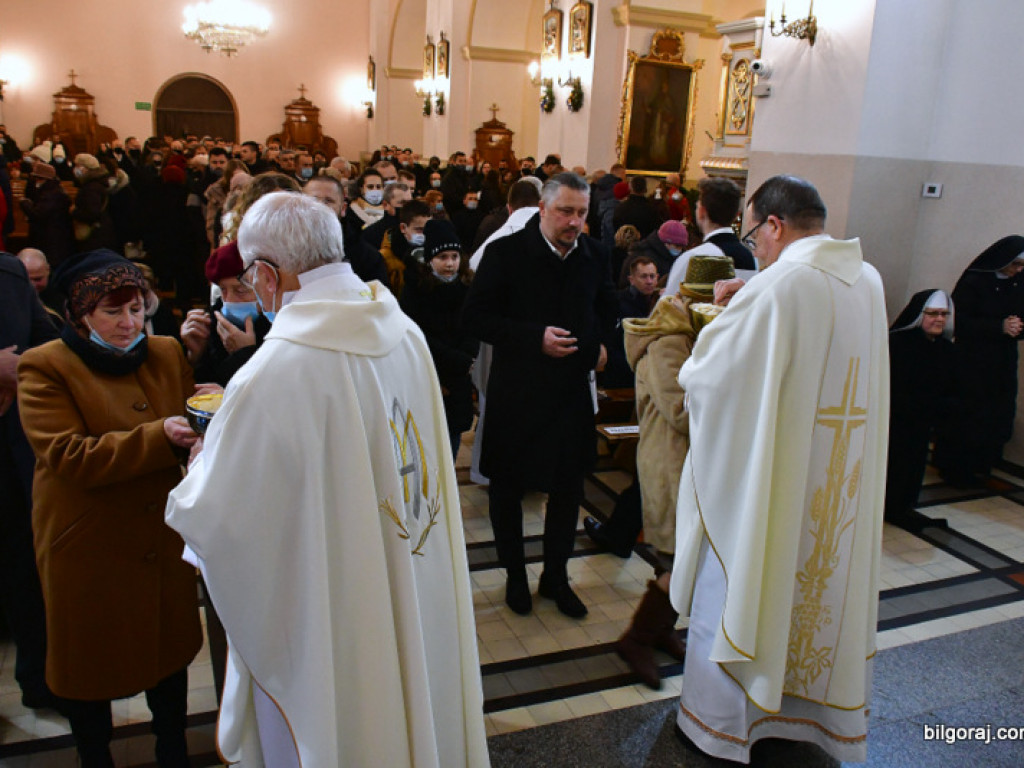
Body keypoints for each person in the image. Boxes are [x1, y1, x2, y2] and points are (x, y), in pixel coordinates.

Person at [164, 193, 489, 767]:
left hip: (336, 608)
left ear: (266, 274)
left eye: (249, 277)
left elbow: (217, 520)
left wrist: (199, 467)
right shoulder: (403, 331)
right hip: (412, 566)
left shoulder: (275, 371)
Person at [669, 175, 889, 763]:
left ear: (773, 224)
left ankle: (718, 726)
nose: (756, 250)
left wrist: (715, 325)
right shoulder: (867, 278)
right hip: (835, 481)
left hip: (767, 486)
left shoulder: (782, 284)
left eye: (756, 236)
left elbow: (709, 379)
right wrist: (752, 294)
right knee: (820, 583)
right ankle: (809, 720)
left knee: (742, 577)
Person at [17, 251, 203, 767]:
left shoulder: (165, 352)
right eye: (112, 313)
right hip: (88, 544)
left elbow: (187, 420)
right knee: (89, 673)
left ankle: (174, 754)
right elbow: (68, 456)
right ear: (80, 315)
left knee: (168, 664)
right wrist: (161, 436)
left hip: (159, 539)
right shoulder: (45, 365)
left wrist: (208, 417)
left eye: (138, 310)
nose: (129, 325)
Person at [463, 172, 617, 619]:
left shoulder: (594, 254)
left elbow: (608, 308)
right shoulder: (505, 253)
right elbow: (475, 317)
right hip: (518, 391)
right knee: (508, 489)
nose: (574, 222)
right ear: (543, 209)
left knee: (568, 490)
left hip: (570, 393)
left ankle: (555, 577)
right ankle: (515, 574)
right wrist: (534, 338)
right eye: (565, 212)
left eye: (582, 213)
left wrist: (605, 345)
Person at [599, 254, 736, 689]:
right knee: (680, 558)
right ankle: (636, 639)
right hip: (669, 463)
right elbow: (679, 410)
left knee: (686, 557)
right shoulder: (668, 341)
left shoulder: (694, 333)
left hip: (694, 461)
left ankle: (658, 630)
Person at [0, 253, 59, 711]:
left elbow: (47, 343)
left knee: (26, 566)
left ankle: (41, 679)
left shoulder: (9, 271)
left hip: (17, 452)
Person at [933, 236, 1024, 486]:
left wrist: (1016, 328)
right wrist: (998, 326)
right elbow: (958, 320)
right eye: (1015, 264)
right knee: (967, 413)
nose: (1018, 270)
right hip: (971, 360)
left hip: (1002, 359)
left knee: (996, 412)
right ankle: (954, 467)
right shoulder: (976, 280)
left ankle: (982, 463)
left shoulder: (1020, 282)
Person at [402, 219, 477, 458]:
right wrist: (455, 361)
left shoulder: (468, 288)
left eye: (454, 256)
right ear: (430, 259)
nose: (450, 263)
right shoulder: (416, 290)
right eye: (442, 257)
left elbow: (474, 327)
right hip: (430, 370)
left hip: (459, 375)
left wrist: (467, 357)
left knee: (452, 436)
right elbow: (416, 334)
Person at [885, 289, 957, 532]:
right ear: (919, 315)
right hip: (898, 419)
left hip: (923, 420)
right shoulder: (898, 344)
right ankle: (892, 507)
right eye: (933, 314)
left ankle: (904, 506)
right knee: (897, 464)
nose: (939, 319)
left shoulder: (945, 348)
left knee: (915, 465)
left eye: (944, 314)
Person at [664, 176, 756, 293]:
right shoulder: (750, 258)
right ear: (736, 215)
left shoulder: (694, 258)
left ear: (702, 212)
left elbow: (667, 308)